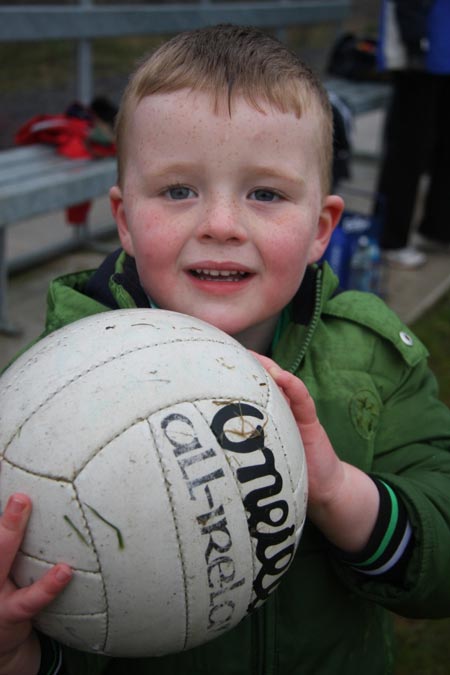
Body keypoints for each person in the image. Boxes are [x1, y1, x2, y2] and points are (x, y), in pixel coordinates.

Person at [1, 24, 450, 675]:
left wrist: (337, 493)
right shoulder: (42, 405)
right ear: (125, 219)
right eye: (178, 190)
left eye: (265, 193)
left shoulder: (372, 360)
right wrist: (20, 657)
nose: (219, 224)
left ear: (321, 227)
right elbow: (60, 621)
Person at [374, 0, 450, 268]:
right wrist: (415, 40)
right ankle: (389, 240)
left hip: (443, 53)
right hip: (418, 56)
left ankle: (437, 230)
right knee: (407, 152)